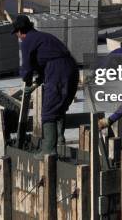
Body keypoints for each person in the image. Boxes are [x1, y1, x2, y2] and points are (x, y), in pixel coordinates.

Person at [12, 15, 79, 156]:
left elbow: (26, 67)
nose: (17, 37)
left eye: (17, 33)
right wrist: (36, 84)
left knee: (48, 112)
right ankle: (60, 141)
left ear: (20, 31)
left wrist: (26, 79)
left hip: (58, 72)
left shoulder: (26, 41)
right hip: (71, 69)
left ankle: (49, 151)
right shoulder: (42, 37)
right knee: (59, 108)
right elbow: (46, 66)